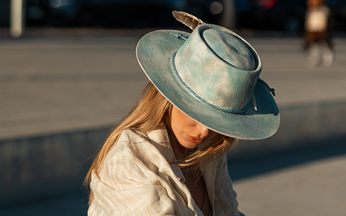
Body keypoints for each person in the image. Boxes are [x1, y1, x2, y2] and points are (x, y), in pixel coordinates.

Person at [84, 11, 280, 216]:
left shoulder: (208, 151)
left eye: (218, 121)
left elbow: (229, 210)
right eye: (197, 113)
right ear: (170, 96)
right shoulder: (129, 161)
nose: (204, 131)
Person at [304, 0, 334, 67]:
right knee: (314, 46)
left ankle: (327, 56)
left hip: (322, 31)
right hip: (313, 32)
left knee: (324, 45)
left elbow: (327, 22)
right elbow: (308, 23)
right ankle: (315, 57)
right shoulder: (310, 10)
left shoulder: (324, 10)